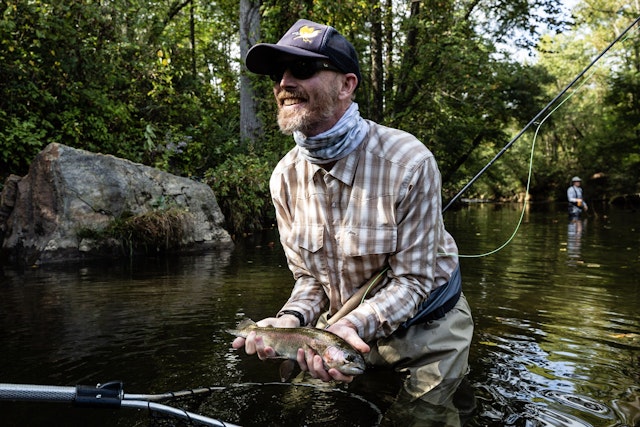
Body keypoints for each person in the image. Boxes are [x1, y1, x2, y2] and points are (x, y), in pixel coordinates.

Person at [233, 18, 474, 420]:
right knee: (301, 408)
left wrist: (347, 331)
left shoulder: (410, 162)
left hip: (428, 324)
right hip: (341, 328)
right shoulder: (283, 178)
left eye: (303, 70)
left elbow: (415, 281)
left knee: (422, 418)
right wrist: (291, 321)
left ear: (346, 85)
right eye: (279, 73)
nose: (284, 83)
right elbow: (309, 279)